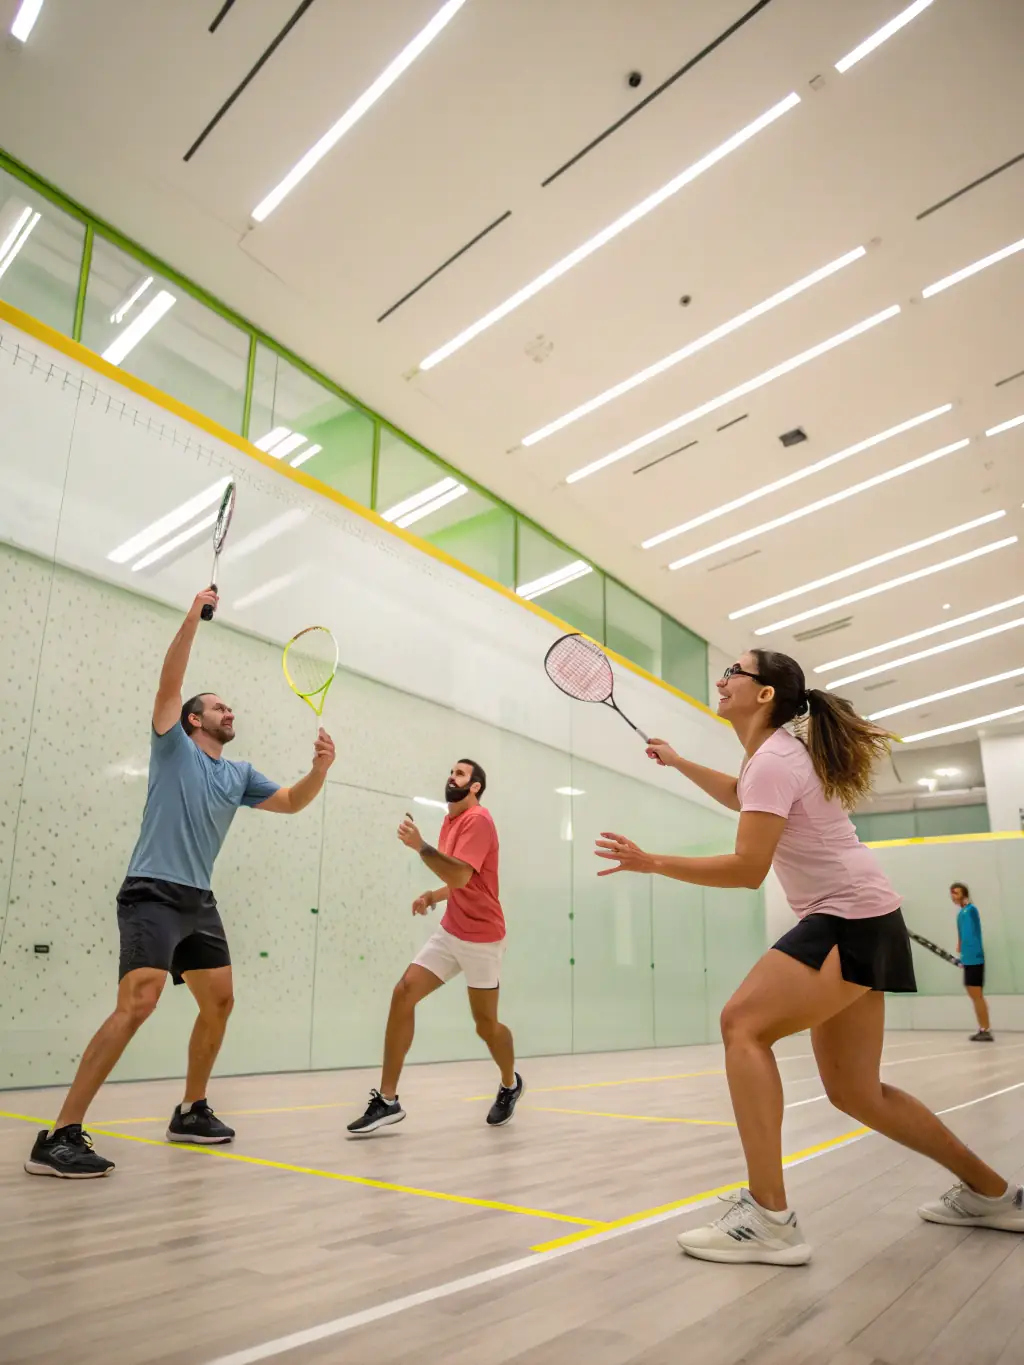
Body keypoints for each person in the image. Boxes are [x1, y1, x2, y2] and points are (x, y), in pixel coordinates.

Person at [594, 649, 1024, 1265]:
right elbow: (745, 797)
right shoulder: (770, 758)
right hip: (868, 917)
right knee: (858, 1093)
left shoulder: (772, 759)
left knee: (742, 1025)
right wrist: (681, 761)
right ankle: (993, 1193)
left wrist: (652, 861)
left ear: (765, 694)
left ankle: (769, 1219)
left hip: (846, 917)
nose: (720, 680)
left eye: (733, 673)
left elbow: (748, 870)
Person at [25, 588, 336, 1179]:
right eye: (220, 708)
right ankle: (60, 1133)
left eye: (230, 709)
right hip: (151, 892)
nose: (230, 713)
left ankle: (190, 1112)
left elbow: (293, 802)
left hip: (198, 902)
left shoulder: (239, 773)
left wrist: (318, 771)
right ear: (195, 719)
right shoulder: (172, 747)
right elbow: (169, 685)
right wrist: (194, 617)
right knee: (138, 1003)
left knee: (219, 1000)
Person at [348, 759, 522, 1135]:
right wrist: (434, 895)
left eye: (460, 773)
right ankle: (388, 1101)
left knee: (485, 1025)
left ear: (475, 786)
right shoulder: (450, 821)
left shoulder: (479, 820)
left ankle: (510, 1082)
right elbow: (460, 880)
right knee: (403, 993)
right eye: (451, 772)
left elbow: (460, 873)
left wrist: (419, 846)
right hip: (450, 931)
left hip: (482, 939)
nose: (451, 777)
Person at [951, 882, 992, 1042]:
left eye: (957, 893)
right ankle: (983, 1028)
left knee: (977, 994)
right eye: (952, 893)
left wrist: (970, 956)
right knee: (973, 994)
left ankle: (985, 1029)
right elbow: (962, 937)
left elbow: (971, 936)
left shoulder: (970, 910)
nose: (954, 896)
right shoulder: (961, 913)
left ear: (964, 894)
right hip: (967, 958)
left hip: (974, 958)